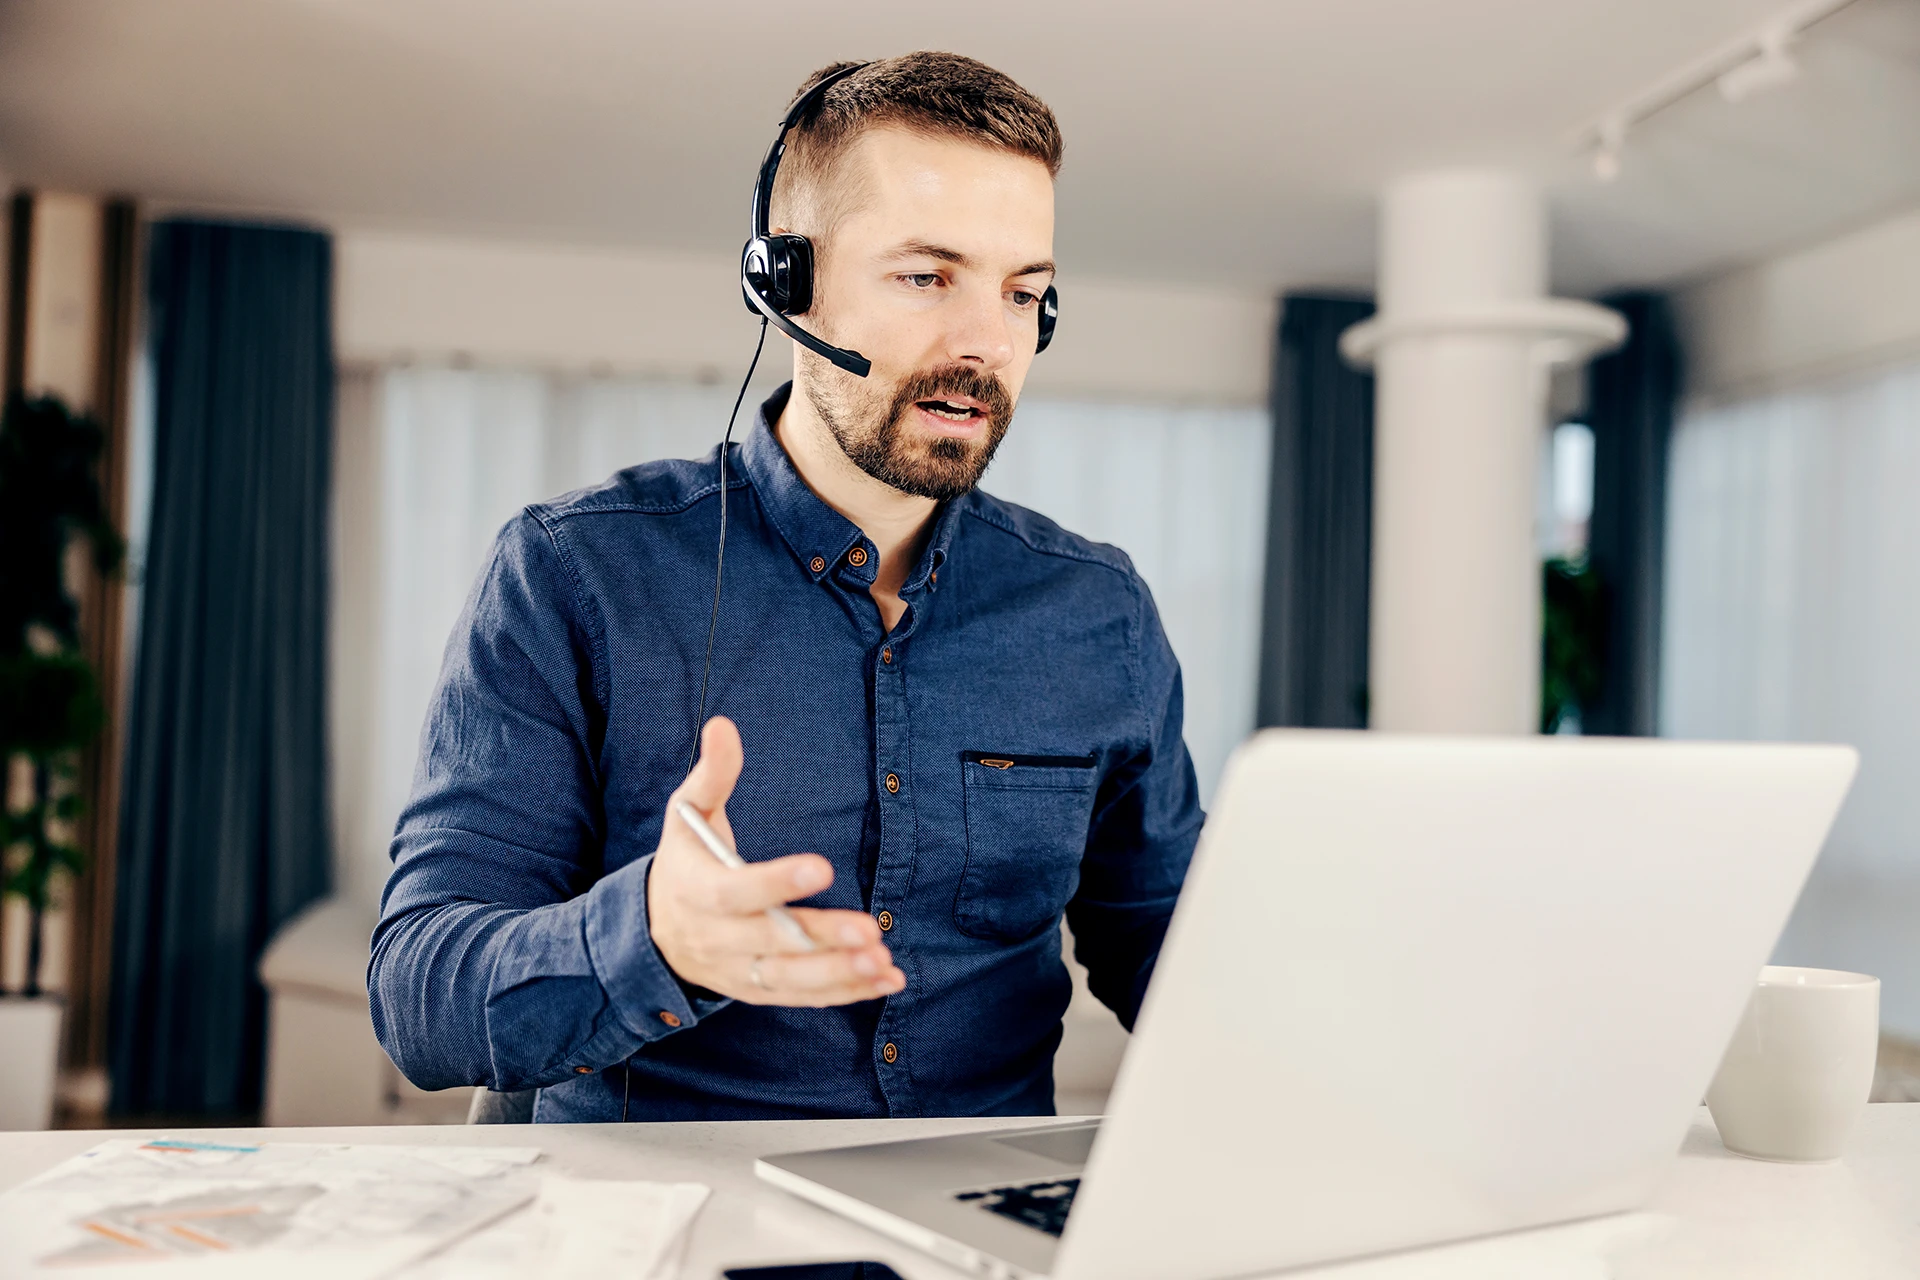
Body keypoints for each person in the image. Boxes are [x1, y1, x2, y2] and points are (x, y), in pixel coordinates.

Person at [369, 51, 1203, 1122]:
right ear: (786, 285)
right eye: (926, 275)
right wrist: (655, 936)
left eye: (1023, 291)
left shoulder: (1099, 612)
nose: (988, 343)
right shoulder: (574, 573)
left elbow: (1173, 953)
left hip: (974, 1229)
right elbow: (416, 992)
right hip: (661, 1221)